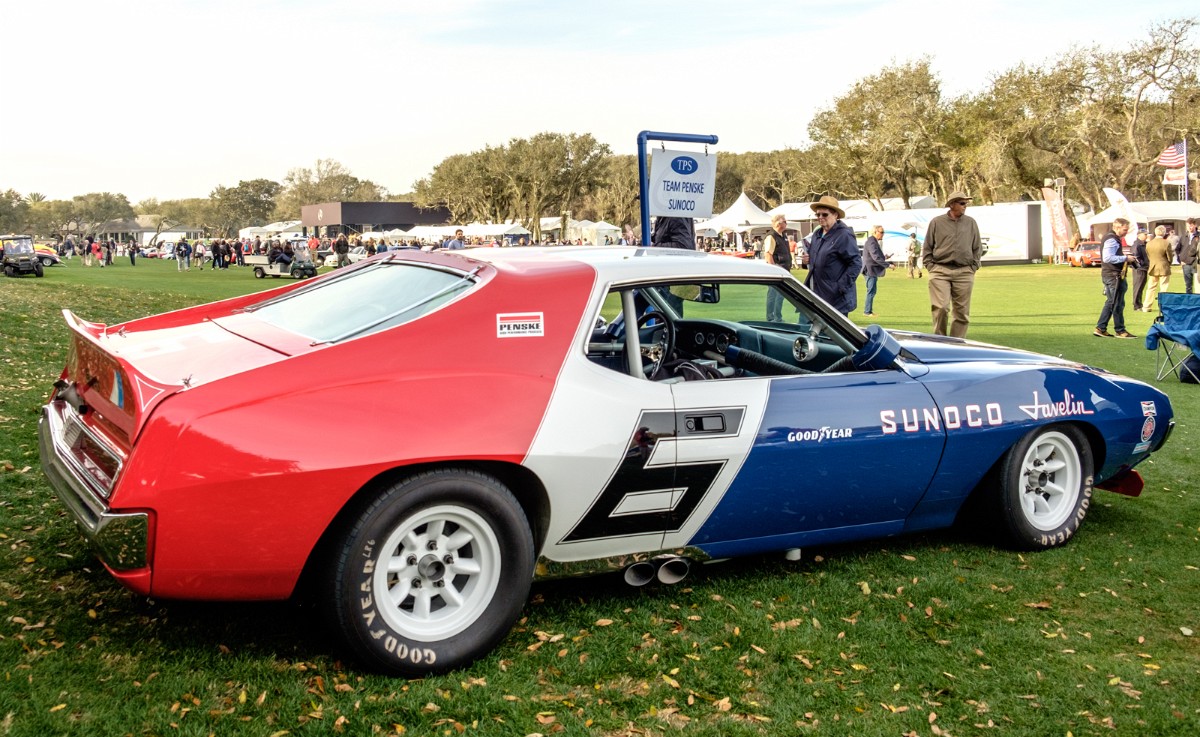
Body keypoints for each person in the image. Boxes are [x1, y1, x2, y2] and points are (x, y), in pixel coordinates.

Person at [922, 192, 983, 337]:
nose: (965, 206)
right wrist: (930, 265)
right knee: (941, 308)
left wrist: (973, 266)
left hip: (964, 271)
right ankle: (939, 341)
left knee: (962, 313)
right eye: (962, 203)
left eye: (966, 204)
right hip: (940, 270)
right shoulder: (936, 222)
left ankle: (957, 345)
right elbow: (927, 246)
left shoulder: (971, 223)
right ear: (952, 204)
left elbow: (977, 247)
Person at [804, 196, 860, 316]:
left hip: (836, 301)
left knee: (833, 334)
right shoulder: (817, 234)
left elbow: (856, 263)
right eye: (817, 215)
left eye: (824, 214)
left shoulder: (844, 235)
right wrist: (808, 260)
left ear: (835, 215)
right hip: (816, 295)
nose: (820, 217)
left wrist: (840, 287)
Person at [1094, 217, 1137, 338]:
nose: (1126, 232)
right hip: (1114, 275)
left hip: (1110, 274)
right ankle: (1120, 330)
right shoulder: (1112, 239)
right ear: (1117, 227)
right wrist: (1125, 258)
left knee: (1112, 302)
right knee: (1116, 302)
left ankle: (1101, 328)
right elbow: (1108, 258)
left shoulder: (1111, 238)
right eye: (1125, 229)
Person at [762, 213, 792, 321]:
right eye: (784, 221)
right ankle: (771, 318)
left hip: (783, 270)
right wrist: (773, 271)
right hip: (777, 271)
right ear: (778, 223)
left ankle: (777, 317)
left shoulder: (782, 236)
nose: (786, 223)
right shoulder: (771, 236)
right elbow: (768, 255)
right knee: (773, 295)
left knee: (780, 296)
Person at [1144, 225, 1173, 312]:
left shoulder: (1149, 243)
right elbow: (1170, 257)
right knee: (1163, 287)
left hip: (1153, 267)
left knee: (1151, 287)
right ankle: (1162, 306)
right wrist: (1169, 263)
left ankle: (1146, 306)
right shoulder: (1166, 243)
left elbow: (1148, 256)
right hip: (1164, 267)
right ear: (1164, 233)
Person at [861, 225, 889, 316]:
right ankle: (867, 312)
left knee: (872, 291)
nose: (883, 234)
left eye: (883, 232)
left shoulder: (872, 241)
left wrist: (885, 257)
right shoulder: (872, 242)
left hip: (871, 269)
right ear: (875, 232)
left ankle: (868, 311)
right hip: (870, 270)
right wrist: (888, 265)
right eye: (881, 232)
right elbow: (875, 257)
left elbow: (875, 256)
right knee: (871, 291)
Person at [1129, 231, 1149, 310]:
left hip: (1144, 268)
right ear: (1139, 235)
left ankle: (1139, 303)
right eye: (1145, 234)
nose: (1146, 235)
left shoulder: (1143, 244)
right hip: (1139, 269)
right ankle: (1136, 304)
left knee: (1141, 287)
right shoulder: (1137, 244)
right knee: (1138, 286)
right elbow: (1135, 256)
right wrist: (1140, 265)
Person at [1184, 218, 1200, 293]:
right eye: (1188, 226)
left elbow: (1193, 251)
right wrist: (1181, 259)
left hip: (1197, 263)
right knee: (1188, 285)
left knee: (1198, 284)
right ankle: (1189, 302)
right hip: (1187, 263)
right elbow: (1179, 249)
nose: (1189, 228)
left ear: (1195, 225)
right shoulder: (1184, 236)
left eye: (1191, 225)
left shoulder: (1198, 236)